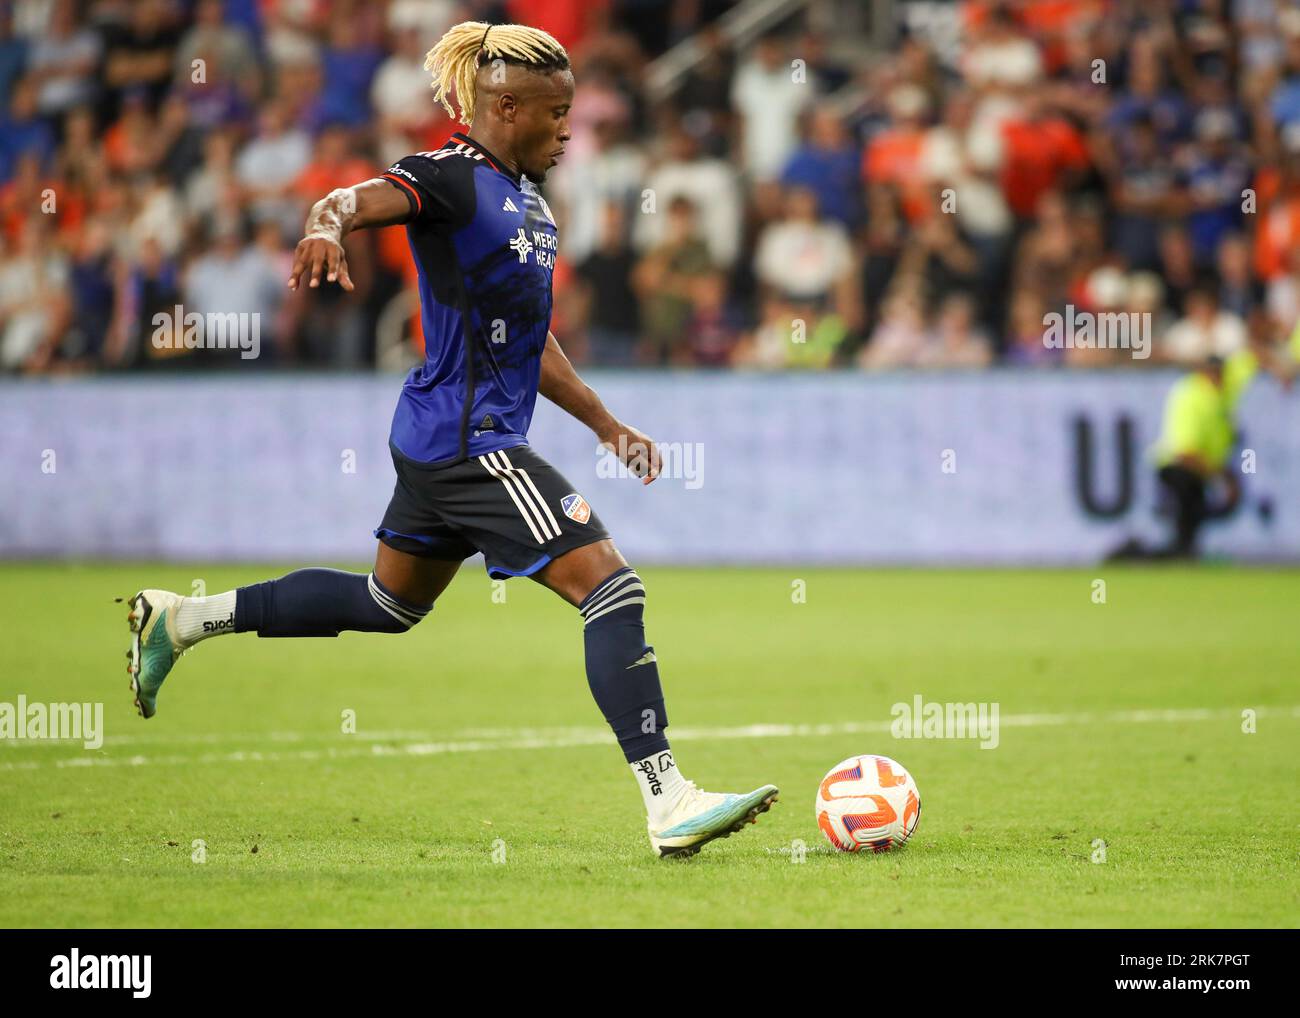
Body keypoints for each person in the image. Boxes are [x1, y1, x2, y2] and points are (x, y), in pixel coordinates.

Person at [121, 21, 777, 859]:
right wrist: (327, 225)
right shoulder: (451, 177)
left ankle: (180, 620)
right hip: (470, 442)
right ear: (505, 106)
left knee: (387, 604)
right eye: (556, 112)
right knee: (613, 590)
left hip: (445, 437)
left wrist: (606, 424)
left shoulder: (530, 206)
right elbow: (353, 199)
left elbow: (530, 342)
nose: (568, 128)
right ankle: (668, 799)